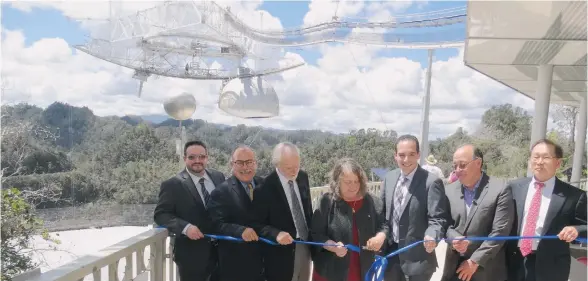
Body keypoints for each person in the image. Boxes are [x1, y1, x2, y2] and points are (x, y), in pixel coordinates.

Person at [506, 139, 587, 281]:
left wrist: (576, 230)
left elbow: (585, 226)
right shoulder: (513, 187)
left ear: (558, 163)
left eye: (546, 157)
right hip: (514, 261)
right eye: (535, 157)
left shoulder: (574, 195)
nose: (539, 161)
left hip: (551, 267)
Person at [380, 134, 450, 281]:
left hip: (418, 259)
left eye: (411, 154)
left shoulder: (431, 182)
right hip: (391, 256)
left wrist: (432, 235)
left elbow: (437, 219)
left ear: (418, 154)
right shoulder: (389, 178)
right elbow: (383, 214)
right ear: (395, 156)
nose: (406, 160)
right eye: (402, 155)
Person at [154, 140, 226, 281]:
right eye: (192, 157)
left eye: (202, 157)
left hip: (222, 254)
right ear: (184, 158)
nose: (197, 161)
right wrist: (185, 227)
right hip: (191, 257)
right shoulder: (172, 184)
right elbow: (161, 214)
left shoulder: (219, 177)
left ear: (207, 158)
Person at [441, 144, 514, 281]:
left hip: (487, 270)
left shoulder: (500, 189)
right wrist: (454, 238)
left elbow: (500, 232)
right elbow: (445, 225)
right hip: (454, 268)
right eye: (455, 166)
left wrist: (474, 261)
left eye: (462, 165)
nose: (458, 170)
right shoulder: (448, 191)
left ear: (478, 163)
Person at [310, 158, 388, 281]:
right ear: (337, 181)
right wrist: (332, 246)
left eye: (356, 181)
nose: (353, 186)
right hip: (331, 271)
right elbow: (316, 234)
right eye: (348, 182)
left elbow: (384, 225)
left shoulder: (371, 201)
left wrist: (380, 237)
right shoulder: (327, 202)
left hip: (362, 269)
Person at [252, 142, 313, 281]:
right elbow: (256, 224)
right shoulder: (264, 188)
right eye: (289, 168)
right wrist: (276, 234)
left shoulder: (303, 177)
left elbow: (307, 209)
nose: (294, 172)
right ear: (277, 165)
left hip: (306, 245)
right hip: (281, 254)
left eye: (297, 166)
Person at [208, 145, 264, 281]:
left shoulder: (266, 185)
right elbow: (215, 224)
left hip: (265, 263)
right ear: (232, 165)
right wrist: (240, 231)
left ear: (255, 163)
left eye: (249, 162)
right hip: (236, 265)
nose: (245, 167)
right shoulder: (221, 192)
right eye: (240, 163)